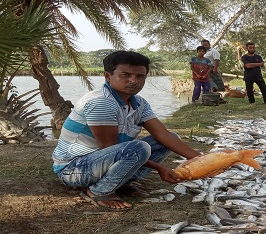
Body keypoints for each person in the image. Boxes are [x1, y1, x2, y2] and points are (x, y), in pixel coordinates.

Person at [52, 51, 202, 211]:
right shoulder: (101, 102)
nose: (133, 81)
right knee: (138, 148)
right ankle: (99, 191)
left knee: (168, 139)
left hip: (101, 162)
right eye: (125, 75)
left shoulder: (140, 103)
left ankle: (121, 183)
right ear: (108, 76)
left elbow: (162, 134)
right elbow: (109, 147)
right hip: (73, 170)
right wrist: (159, 168)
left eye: (140, 76)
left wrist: (202, 159)